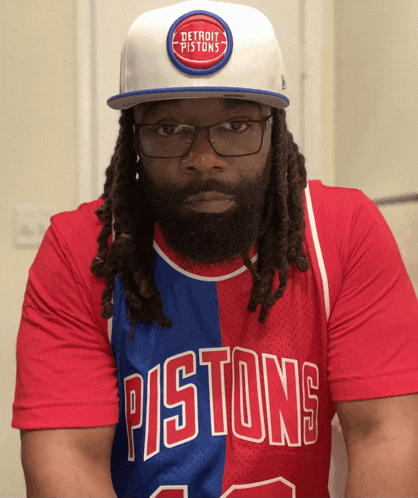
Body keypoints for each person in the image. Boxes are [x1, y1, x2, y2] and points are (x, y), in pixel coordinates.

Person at [12, 1, 418, 497]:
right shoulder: (79, 253)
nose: (203, 159)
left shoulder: (344, 232)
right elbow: (67, 459)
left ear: (274, 129)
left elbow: (387, 432)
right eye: (169, 129)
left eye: (235, 126)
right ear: (133, 136)